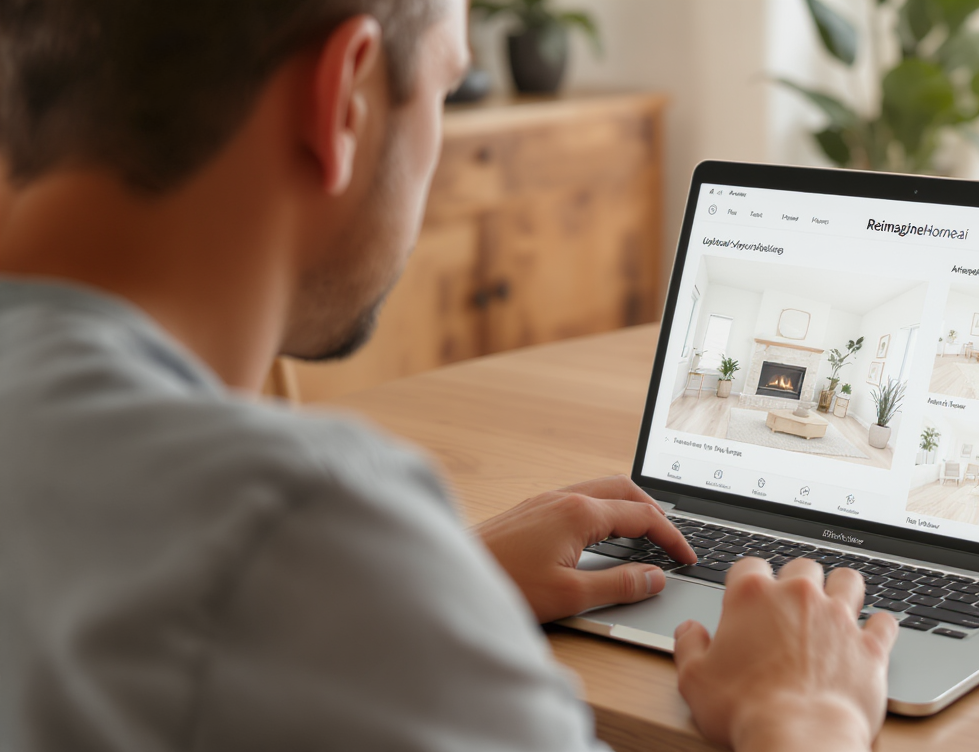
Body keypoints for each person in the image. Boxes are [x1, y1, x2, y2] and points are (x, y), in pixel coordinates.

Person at [0, 1, 899, 750]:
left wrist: (426, 590)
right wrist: (805, 715)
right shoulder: (297, 519)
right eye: (442, 84)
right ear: (344, 98)